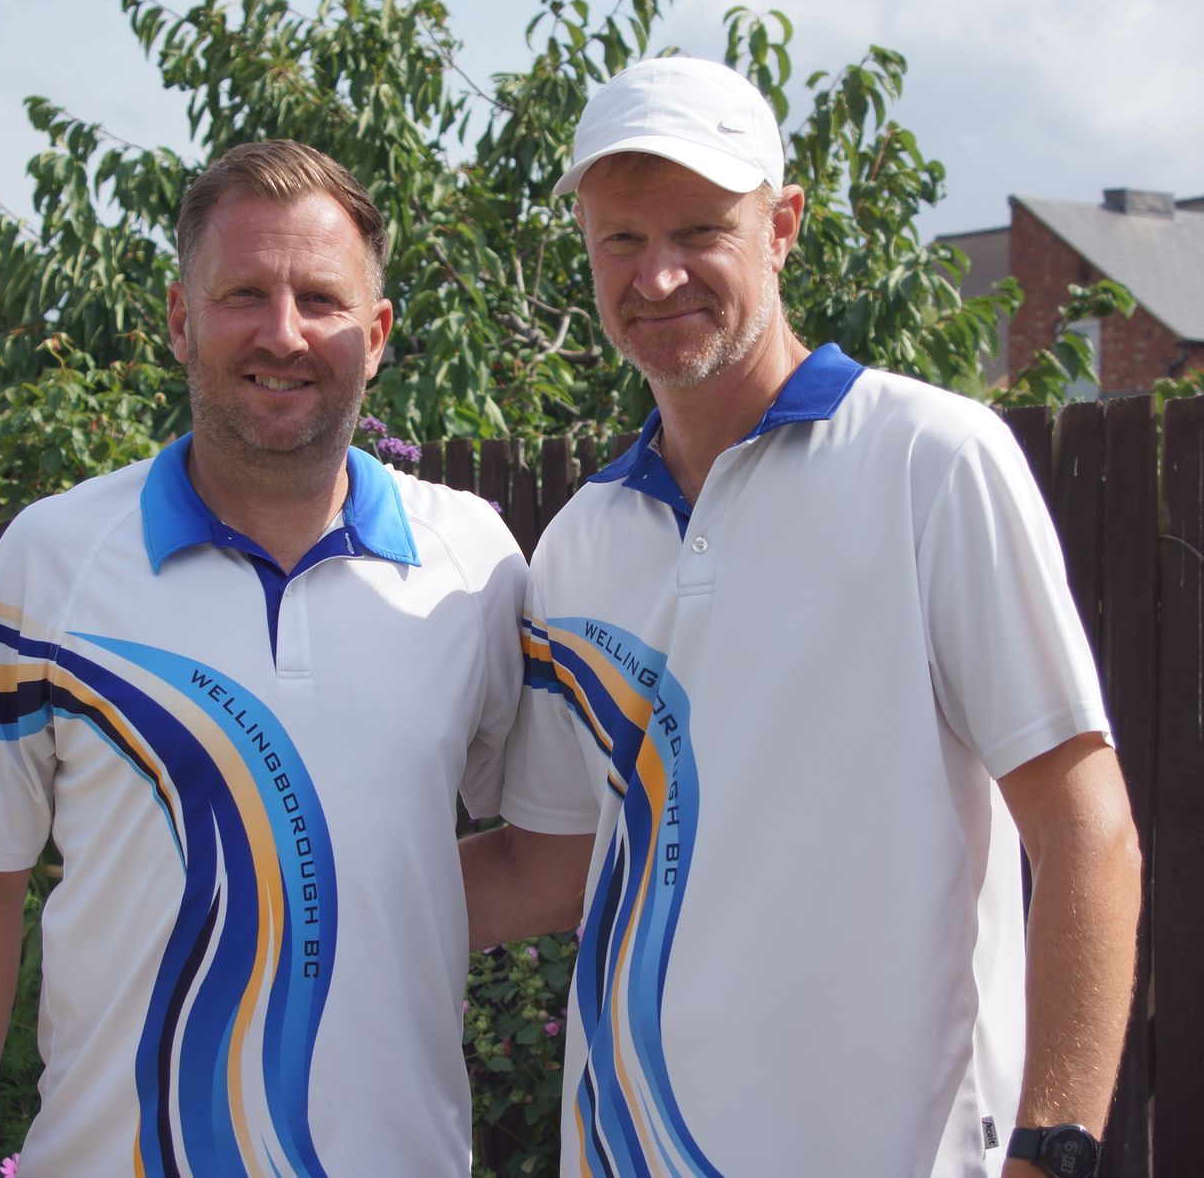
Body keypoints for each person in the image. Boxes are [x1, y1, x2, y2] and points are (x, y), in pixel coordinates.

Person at [463, 58, 1143, 1178]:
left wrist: (1051, 1150)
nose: (657, 274)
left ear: (781, 227)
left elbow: (1086, 831)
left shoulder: (931, 460)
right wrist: (283, 895)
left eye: (699, 230)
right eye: (621, 238)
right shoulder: (580, 542)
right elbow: (547, 864)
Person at [0, 140, 529, 1177]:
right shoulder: (54, 558)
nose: (283, 332)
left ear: (376, 335)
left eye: (320, 298)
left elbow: (551, 847)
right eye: (244, 293)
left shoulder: (475, 563)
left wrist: (336, 895)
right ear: (180, 319)